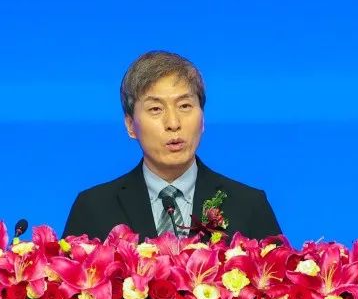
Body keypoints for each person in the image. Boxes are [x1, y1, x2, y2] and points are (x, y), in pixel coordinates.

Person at [62, 50, 282, 241]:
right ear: (130, 125)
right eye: (156, 109)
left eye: (185, 106)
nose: (173, 123)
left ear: (202, 119)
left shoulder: (249, 205)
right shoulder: (93, 209)